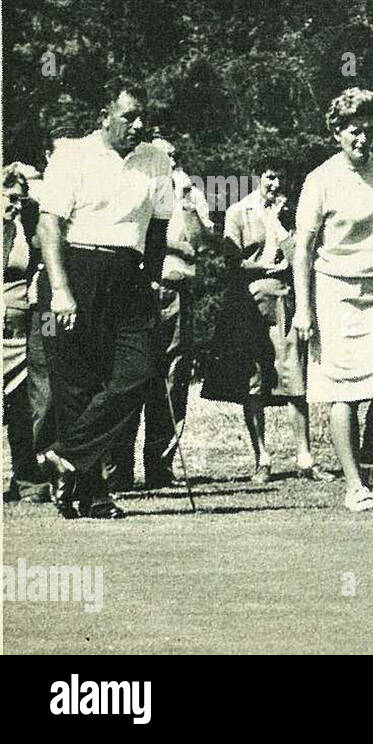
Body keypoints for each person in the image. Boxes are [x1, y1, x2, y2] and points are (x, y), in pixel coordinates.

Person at [33, 80, 187, 519]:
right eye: (129, 117)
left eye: (143, 118)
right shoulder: (73, 154)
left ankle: (64, 455)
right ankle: (92, 494)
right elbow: (49, 229)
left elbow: (157, 230)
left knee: (136, 375)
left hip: (129, 275)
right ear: (105, 115)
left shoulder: (156, 160)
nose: (138, 125)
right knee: (77, 385)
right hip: (75, 270)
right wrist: (61, 292)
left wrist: (153, 281)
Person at [292, 87, 373, 512]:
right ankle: (354, 485)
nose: (362, 139)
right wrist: (304, 307)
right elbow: (303, 250)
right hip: (335, 293)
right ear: (336, 133)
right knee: (343, 392)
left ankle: (365, 460)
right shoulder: (320, 180)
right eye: (353, 131)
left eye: (368, 130)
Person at [203, 158, 334, 484]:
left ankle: (305, 457)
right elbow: (231, 263)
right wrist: (263, 266)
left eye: (281, 179)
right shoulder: (238, 212)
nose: (275, 185)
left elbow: (299, 257)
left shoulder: (294, 213)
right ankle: (262, 457)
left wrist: (279, 225)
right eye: (270, 177)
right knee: (254, 383)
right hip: (249, 306)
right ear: (258, 177)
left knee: (294, 381)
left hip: (285, 302)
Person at [107, 136, 212, 491]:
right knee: (129, 374)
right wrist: (172, 244)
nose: (169, 163)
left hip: (177, 293)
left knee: (173, 378)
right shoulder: (137, 189)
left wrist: (185, 203)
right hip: (141, 289)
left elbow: (198, 244)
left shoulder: (190, 194)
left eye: (174, 157)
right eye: (162, 157)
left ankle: (160, 467)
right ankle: (118, 469)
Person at [2, 164, 48, 502]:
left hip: (23, 329)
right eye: (10, 197)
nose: (15, 204)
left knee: (22, 408)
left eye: (20, 199)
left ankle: (27, 480)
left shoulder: (25, 226)